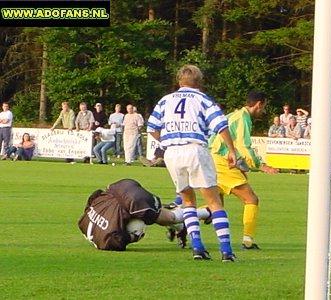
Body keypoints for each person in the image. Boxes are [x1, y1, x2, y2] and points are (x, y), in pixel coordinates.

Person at [147, 64, 237, 262]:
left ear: (179, 81)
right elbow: (220, 125)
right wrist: (232, 150)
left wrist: (167, 141)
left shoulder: (165, 100)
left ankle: (197, 247)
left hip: (172, 153)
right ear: (199, 82)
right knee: (214, 201)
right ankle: (226, 251)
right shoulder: (202, 99)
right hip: (195, 149)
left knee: (187, 200)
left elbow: (152, 127)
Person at [209, 91, 277, 250]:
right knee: (251, 199)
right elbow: (243, 146)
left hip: (212, 157)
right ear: (259, 104)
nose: (263, 111)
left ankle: (180, 221)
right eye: (264, 107)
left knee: (215, 204)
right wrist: (260, 165)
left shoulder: (233, 114)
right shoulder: (243, 118)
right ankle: (248, 240)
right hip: (222, 160)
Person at [78, 179, 210, 251]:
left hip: (135, 201)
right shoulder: (83, 222)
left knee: (169, 218)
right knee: (147, 213)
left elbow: (118, 241)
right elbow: (96, 194)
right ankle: (178, 224)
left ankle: (206, 212)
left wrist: (134, 237)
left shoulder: (108, 240)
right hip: (119, 186)